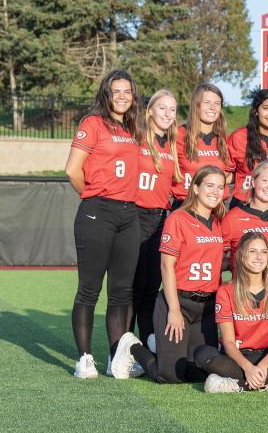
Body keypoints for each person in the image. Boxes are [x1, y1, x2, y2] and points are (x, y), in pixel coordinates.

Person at [109, 165, 226, 383]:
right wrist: (174, 309)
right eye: (210, 186)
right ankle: (132, 347)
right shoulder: (178, 218)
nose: (215, 192)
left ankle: (161, 348)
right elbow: (166, 266)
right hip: (179, 302)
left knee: (203, 371)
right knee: (169, 376)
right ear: (196, 188)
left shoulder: (220, 221)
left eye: (220, 187)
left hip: (206, 308)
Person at [65, 69, 144, 379]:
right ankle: (84, 358)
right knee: (89, 290)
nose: (122, 96)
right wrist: (95, 195)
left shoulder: (134, 128)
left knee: (122, 293)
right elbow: (72, 170)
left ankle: (116, 359)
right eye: (116, 91)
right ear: (106, 94)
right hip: (98, 211)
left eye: (127, 91)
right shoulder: (92, 123)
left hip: (129, 215)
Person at [193, 231, 268, 393]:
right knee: (202, 354)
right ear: (241, 256)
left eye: (264, 252)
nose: (259, 257)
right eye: (253, 251)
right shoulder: (226, 291)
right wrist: (248, 368)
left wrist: (263, 366)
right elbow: (228, 342)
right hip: (237, 359)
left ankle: (236, 385)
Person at [132, 89, 180, 350]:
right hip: (135, 217)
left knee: (151, 287)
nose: (167, 114)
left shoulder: (172, 144)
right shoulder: (137, 138)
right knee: (131, 288)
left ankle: (148, 344)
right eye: (162, 108)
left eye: (172, 109)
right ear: (150, 110)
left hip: (160, 219)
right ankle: (122, 347)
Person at [220, 161, 268, 326]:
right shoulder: (233, 217)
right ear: (253, 182)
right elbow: (218, 259)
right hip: (246, 291)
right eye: (265, 180)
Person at [172, 83, 232, 207]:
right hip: (186, 206)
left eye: (217, 103)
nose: (212, 107)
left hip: (216, 208)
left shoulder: (225, 139)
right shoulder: (179, 135)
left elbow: (230, 175)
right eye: (207, 102)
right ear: (196, 105)